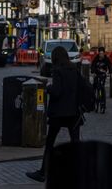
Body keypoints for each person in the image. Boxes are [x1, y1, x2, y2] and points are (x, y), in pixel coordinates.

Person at [25, 46, 91, 183]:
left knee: (50, 143)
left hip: (59, 113)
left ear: (55, 58)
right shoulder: (74, 69)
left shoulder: (57, 70)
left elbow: (57, 91)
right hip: (73, 112)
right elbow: (83, 86)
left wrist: (48, 88)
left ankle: (43, 172)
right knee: (75, 143)